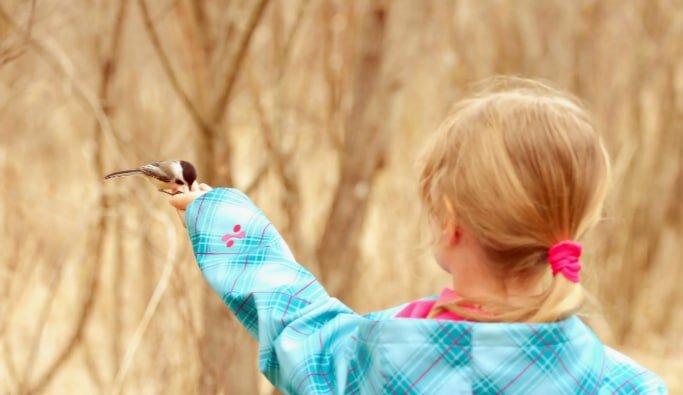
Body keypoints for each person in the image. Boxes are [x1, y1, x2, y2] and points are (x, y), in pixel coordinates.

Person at [170, 78, 667, 394]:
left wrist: (217, 215)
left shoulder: (382, 360)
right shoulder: (628, 387)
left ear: (450, 221)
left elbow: (300, 321)